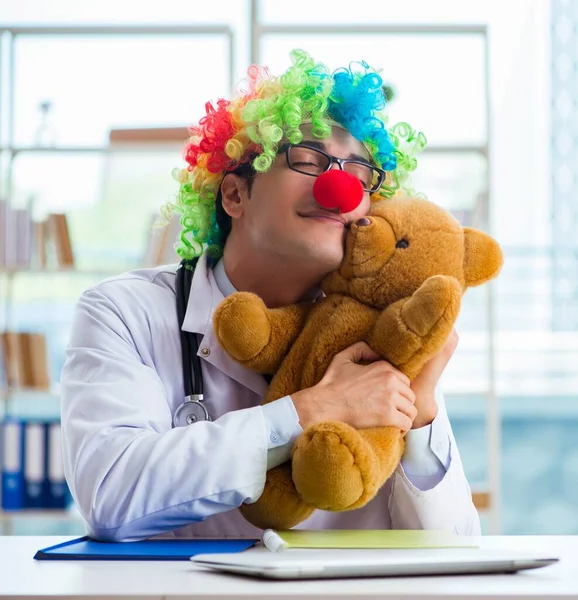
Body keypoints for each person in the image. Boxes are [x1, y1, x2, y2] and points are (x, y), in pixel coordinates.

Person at [60, 49, 481, 542]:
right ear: (235, 195)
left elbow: (454, 547)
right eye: (308, 159)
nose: (339, 186)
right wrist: (313, 410)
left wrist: (423, 415)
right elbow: (111, 496)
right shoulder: (123, 313)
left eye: (360, 172)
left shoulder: (387, 329)